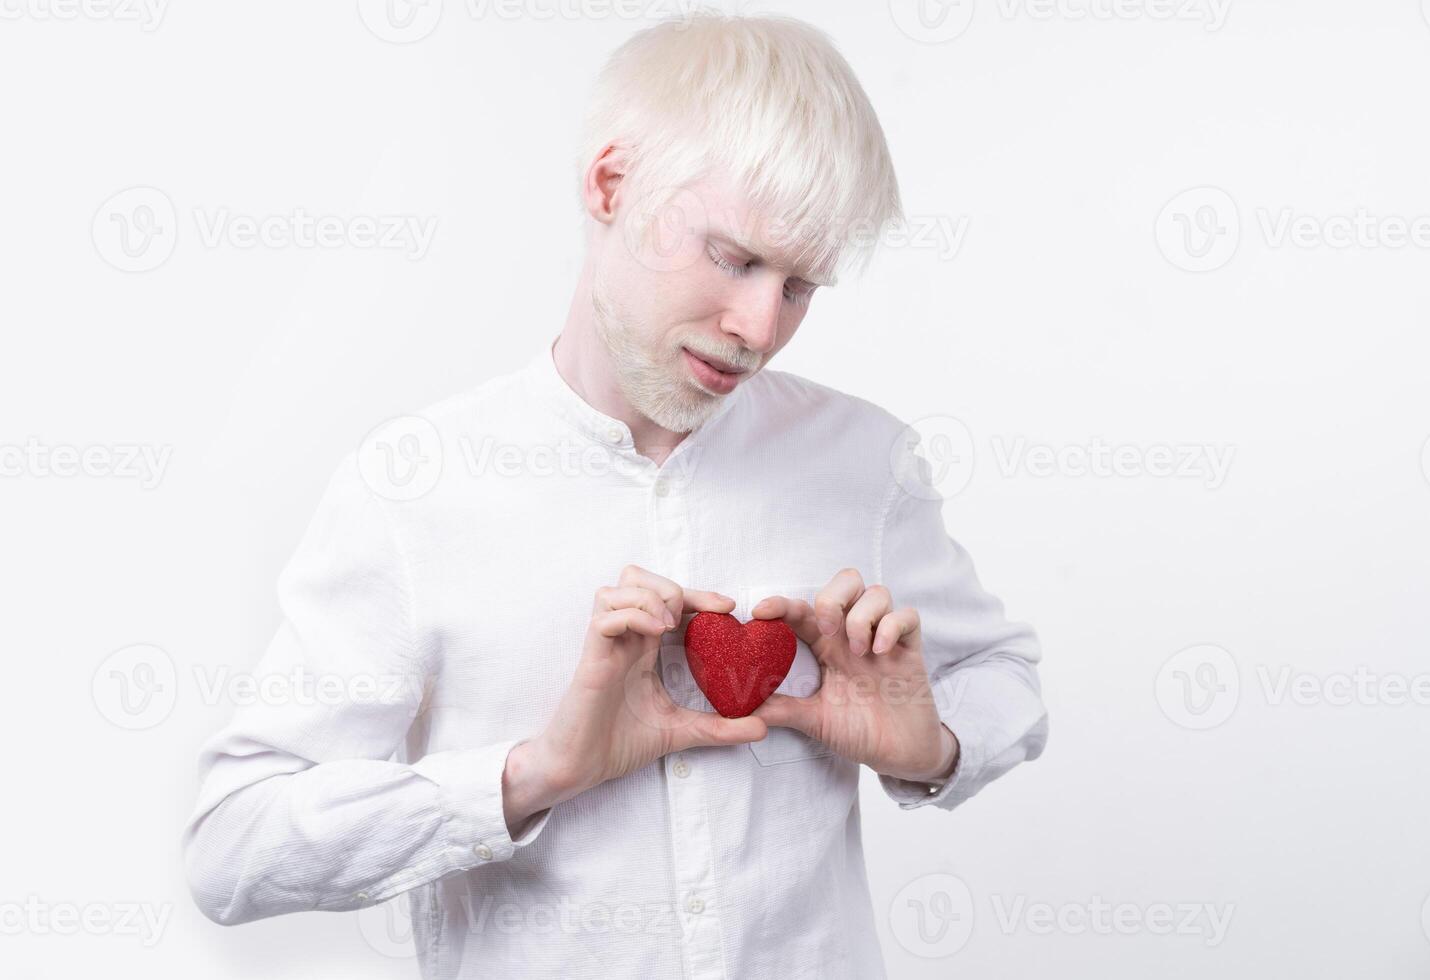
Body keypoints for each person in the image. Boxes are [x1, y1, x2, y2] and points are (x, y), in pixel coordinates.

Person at [182, 11, 1048, 978]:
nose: (759, 327)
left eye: (802, 286)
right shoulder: (412, 491)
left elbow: (1005, 674)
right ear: (610, 185)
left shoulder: (863, 461)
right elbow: (232, 848)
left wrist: (934, 747)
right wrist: (532, 774)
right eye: (735, 257)